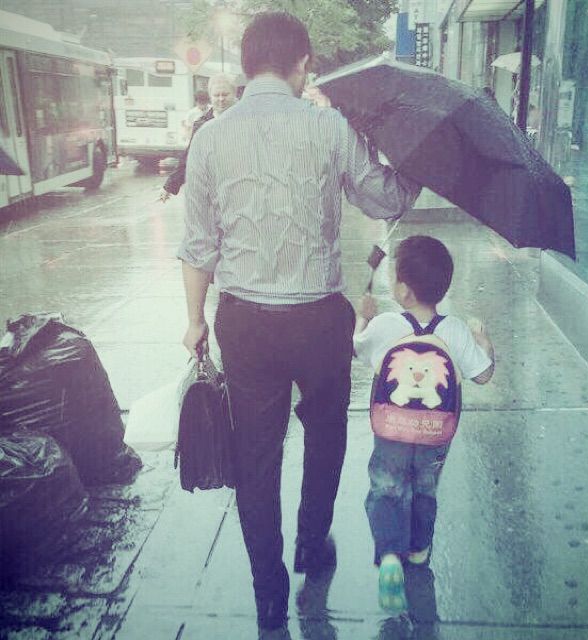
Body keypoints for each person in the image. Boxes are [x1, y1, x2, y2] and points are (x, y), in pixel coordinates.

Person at [178, 11, 421, 636]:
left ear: (245, 65)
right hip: (318, 321)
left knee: (255, 455)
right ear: (302, 64)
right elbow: (387, 199)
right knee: (324, 434)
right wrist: (410, 154)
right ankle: (313, 542)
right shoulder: (330, 128)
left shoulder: (209, 138)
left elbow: (198, 246)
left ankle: (268, 593)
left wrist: (194, 321)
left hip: (244, 323)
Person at [353, 235, 495, 615]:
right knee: (424, 488)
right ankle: (417, 550)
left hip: (391, 429)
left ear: (402, 290)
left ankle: (389, 556)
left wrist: (363, 317)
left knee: (387, 487)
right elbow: (484, 375)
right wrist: (484, 342)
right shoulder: (455, 330)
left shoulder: (385, 325)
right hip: (435, 434)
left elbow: (356, 347)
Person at [159, 73, 237, 201]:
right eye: (216, 95)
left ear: (234, 94)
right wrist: (169, 186)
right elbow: (189, 158)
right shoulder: (201, 125)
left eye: (225, 94)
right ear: (210, 97)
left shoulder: (247, 121)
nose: (221, 99)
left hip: (240, 191)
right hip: (212, 192)